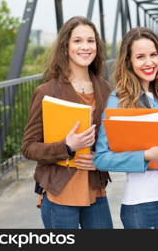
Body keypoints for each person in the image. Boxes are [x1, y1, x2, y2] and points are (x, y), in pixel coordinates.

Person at [22, 16, 113, 229]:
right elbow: (28, 147)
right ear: (66, 46)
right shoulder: (47, 91)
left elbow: (112, 140)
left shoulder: (105, 89)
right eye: (78, 41)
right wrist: (67, 147)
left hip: (95, 189)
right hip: (59, 192)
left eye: (91, 41)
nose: (86, 47)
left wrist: (102, 159)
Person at [93, 27, 158, 229]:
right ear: (129, 62)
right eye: (140, 57)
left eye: (153, 55)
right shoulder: (118, 100)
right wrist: (146, 155)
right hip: (142, 205)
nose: (149, 62)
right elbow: (101, 158)